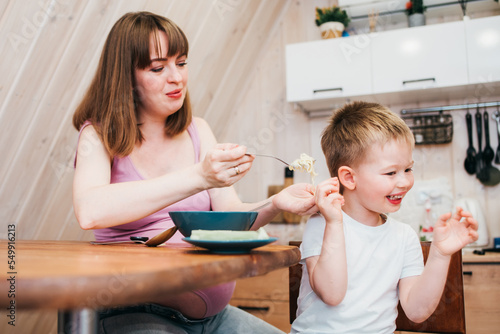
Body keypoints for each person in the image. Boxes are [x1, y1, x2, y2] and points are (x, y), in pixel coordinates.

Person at [72, 11, 317, 334]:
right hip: (136, 312)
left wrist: (276, 203)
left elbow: (232, 218)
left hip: (215, 319)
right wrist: (200, 176)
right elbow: (91, 211)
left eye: (182, 63)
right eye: (158, 68)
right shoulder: (98, 135)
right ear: (126, 77)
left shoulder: (197, 130)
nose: (176, 78)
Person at [290, 101, 479, 334]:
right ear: (349, 178)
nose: (405, 182)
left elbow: (417, 311)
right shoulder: (323, 223)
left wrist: (440, 254)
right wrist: (334, 222)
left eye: (408, 169)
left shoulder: (404, 236)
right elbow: (332, 294)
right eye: (391, 173)